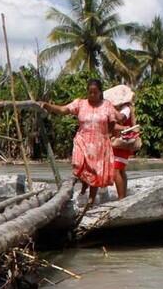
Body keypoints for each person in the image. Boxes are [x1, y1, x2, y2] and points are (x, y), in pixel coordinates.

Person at [40, 78, 120, 211]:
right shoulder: (80, 103)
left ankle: (91, 199)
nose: (92, 95)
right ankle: (84, 185)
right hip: (82, 140)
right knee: (78, 165)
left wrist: (110, 134)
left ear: (100, 92)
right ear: (87, 92)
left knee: (95, 172)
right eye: (90, 92)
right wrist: (48, 106)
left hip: (99, 143)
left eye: (95, 93)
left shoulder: (107, 105)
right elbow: (63, 109)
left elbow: (112, 122)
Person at [105, 84, 139, 199]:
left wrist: (111, 110)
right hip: (122, 142)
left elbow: (121, 118)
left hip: (123, 142)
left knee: (116, 170)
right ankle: (122, 196)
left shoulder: (126, 109)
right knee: (120, 169)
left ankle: (121, 198)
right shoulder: (124, 108)